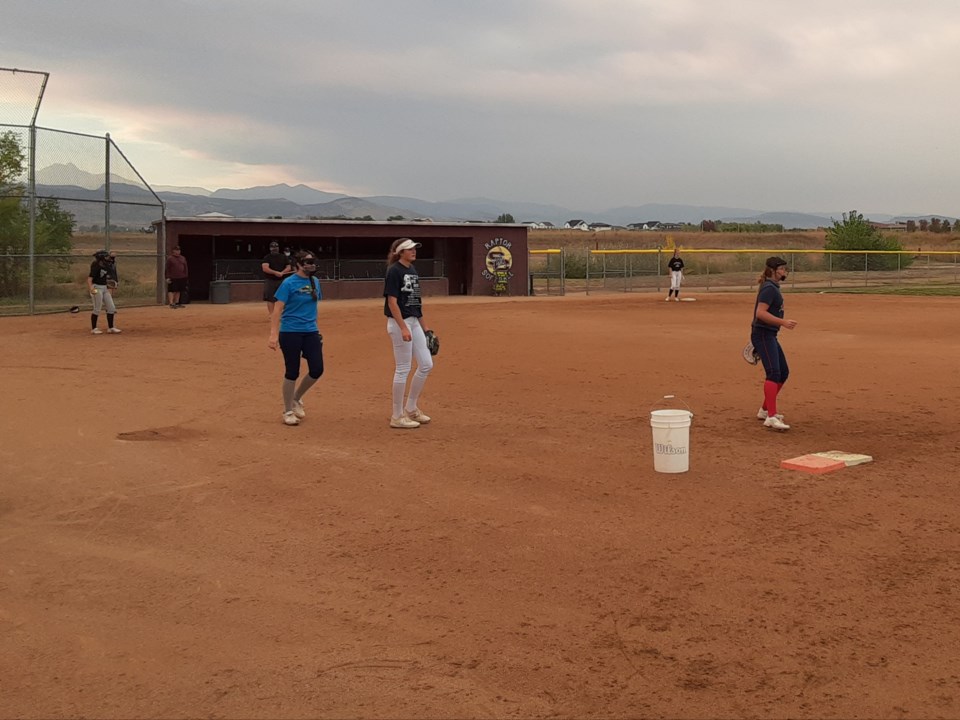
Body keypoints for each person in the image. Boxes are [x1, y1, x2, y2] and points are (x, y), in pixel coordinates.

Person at [267, 251, 324, 426]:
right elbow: (277, 309)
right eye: (307, 262)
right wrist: (273, 334)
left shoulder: (315, 282)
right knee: (292, 371)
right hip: (290, 332)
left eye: (313, 261)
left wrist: (316, 330)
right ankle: (288, 410)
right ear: (298, 264)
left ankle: (296, 398)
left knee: (317, 369)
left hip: (310, 331)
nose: (311, 265)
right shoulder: (288, 283)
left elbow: (313, 307)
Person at [383, 238, 435, 429]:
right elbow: (392, 302)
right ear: (400, 252)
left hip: (413, 322)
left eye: (414, 248)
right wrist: (403, 327)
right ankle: (397, 416)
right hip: (400, 323)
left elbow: (415, 302)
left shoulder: (412, 270)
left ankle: (411, 408)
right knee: (403, 368)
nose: (413, 251)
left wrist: (425, 327)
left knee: (426, 364)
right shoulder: (394, 270)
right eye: (409, 249)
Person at [751, 256, 797, 431]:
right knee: (774, 373)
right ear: (772, 270)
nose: (784, 271)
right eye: (782, 269)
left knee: (783, 372)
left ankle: (764, 410)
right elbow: (760, 313)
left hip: (769, 335)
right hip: (763, 334)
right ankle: (770, 416)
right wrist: (782, 322)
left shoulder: (773, 287)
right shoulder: (769, 288)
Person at [87, 249, 121, 335]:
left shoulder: (106, 264)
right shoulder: (95, 265)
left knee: (111, 308)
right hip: (96, 287)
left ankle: (111, 327)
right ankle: (94, 328)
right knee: (97, 307)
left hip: (104, 288)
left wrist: (113, 257)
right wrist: (91, 288)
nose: (107, 258)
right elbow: (90, 278)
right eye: (105, 256)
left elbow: (112, 264)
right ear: (101, 258)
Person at [261, 241, 293, 318]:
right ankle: (272, 314)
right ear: (270, 248)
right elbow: (265, 268)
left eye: (276, 247)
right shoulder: (267, 257)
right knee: (270, 297)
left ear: (278, 248)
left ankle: (283, 313)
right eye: (273, 247)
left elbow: (288, 267)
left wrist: (282, 272)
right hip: (270, 280)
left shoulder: (283, 257)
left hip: (282, 280)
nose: (274, 249)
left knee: (283, 297)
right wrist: (275, 273)